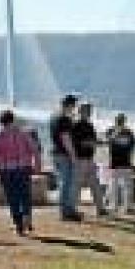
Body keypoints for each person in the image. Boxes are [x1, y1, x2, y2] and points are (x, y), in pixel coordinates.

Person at [0, 109, 41, 235]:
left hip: (5, 170)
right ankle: (27, 217)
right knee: (25, 194)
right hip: (23, 168)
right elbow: (35, 150)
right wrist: (37, 166)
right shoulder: (23, 133)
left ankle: (18, 224)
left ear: (0, 122)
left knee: (12, 197)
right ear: (13, 120)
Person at [71, 101, 108, 217]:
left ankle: (101, 209)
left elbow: (92, 141)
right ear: (81, 111)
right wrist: (95, 143)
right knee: (76, 186)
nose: (89, 112)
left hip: (89, 158)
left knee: (95, 184)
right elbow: (80, 143)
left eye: (90, 110)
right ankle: (73, 209)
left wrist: (98, 142)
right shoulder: (76, 125)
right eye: (87, 110)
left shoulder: (89, 125)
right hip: (80, 159)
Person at [49, 93, 81, 221]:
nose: (74, 108)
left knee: (63, 182)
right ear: (70, 105)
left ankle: (67, 210)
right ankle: (65, 212)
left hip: (56, 153)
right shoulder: (64, 119)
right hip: (64, 155)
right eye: (74, 106)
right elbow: (66, 138)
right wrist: (73, 156)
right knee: (66, 183)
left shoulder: (53, 117)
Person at [105, 112, 135, 213]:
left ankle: (127, 206)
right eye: (119, 120)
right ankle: (113, 206)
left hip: (126, 162)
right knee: (113, 186)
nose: (120, 122)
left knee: (127, 186)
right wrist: (116, 132)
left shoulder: (129, 132)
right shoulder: (110, 131)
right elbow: (108, 141)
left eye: (122, 120)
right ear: (115, 121)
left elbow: (133, 144)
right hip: (114, 163)